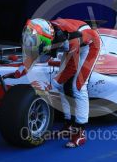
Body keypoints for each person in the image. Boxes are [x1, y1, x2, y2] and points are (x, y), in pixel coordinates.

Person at [22, 18, 101, 148]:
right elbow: (32, 55)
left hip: (89, 46)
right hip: (73, 46)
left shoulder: (71, 39)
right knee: (61, 86)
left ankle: (80, 133)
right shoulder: (44, 31)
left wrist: (53, 83)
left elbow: (72, 68)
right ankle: (68, 125)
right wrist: (20, 71)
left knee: (78, 87)